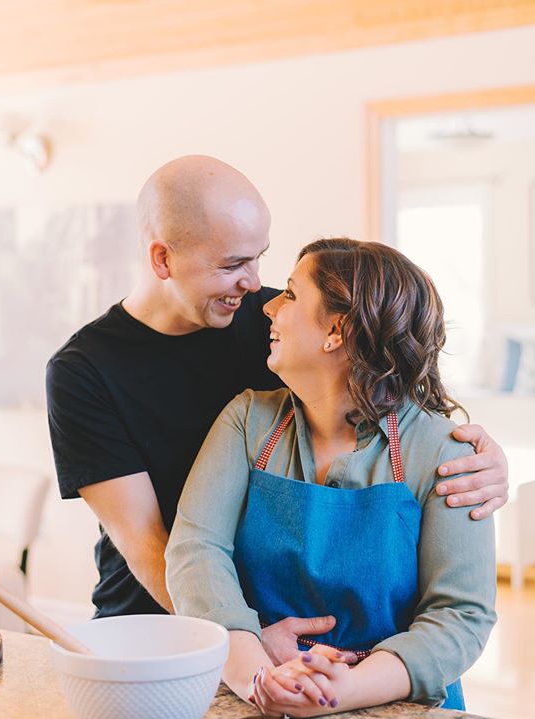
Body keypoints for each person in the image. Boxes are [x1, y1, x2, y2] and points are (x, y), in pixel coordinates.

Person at [46, 155, 507, 663]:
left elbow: (392, 398)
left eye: (259, 258)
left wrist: (477, 461)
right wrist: (239, 641)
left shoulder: (281, 326)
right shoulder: (82, 371)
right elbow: (148, 541)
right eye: (231, 265)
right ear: (162, 260)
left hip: (286, 635)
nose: (255, 286)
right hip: (156, 629)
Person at [165, 237, 497, 716]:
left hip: (404, 710)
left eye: (292, 295)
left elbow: (461, 616)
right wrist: (258, 677)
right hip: (261, 695)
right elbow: (196, 552)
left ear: (336, 331)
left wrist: (337, 691)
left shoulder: (447, 452)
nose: (271, 306)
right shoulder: (247, 421)